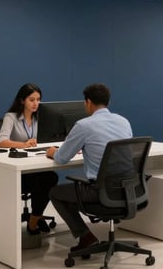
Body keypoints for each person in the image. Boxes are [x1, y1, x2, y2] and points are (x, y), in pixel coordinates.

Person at [47, 83, 133, 252]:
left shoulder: (84, 125)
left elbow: (62, 158)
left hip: (101, 191)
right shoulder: (124, 121)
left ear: (88, 102)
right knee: (71, 192)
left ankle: (85, 237)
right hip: (128, 189)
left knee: (56, 193)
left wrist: (52, 152)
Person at [0, 83, 58, 235]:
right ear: (22, 100)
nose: (36, 103)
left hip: (37, 166)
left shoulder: (42, 118)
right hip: (18, 172)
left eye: (38, 99)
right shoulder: (11, 117)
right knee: (45, 180)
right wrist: (23, 144)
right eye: (32, 100)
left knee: (50, 177)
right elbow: (1, 141)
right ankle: (35, 219)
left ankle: (34, 217)